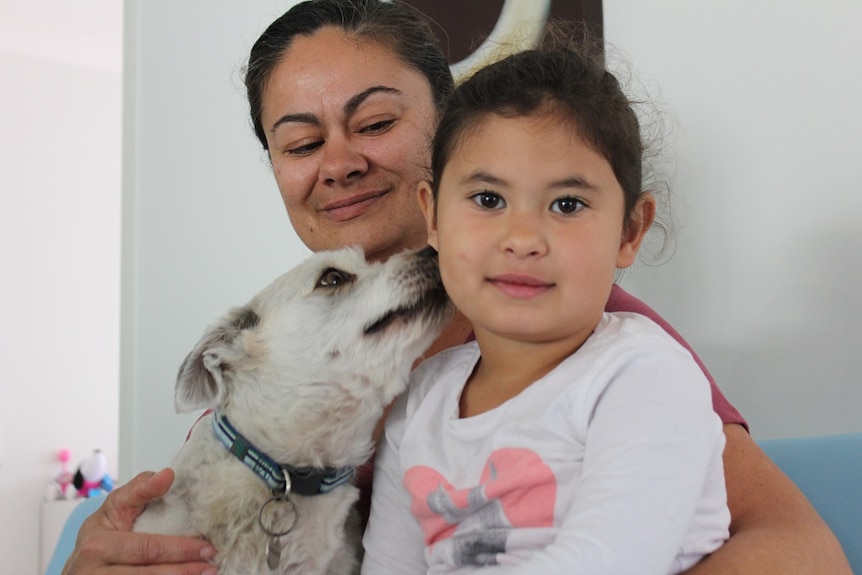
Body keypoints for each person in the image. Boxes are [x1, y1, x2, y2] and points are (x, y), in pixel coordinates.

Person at [61, 1, 850, 574]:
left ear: (444, 136)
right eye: (301, 141)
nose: (338, 161)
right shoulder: (274, 383)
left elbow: (802, 550)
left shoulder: (591, 337)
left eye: (374, 124)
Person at [361, 35, 731, 573]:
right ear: (433, 216)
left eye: (567, 204)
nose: (523, 237)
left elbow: (608, 563)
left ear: (631, 230)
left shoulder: (644, 377)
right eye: (488, 200)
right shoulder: (418, 403)